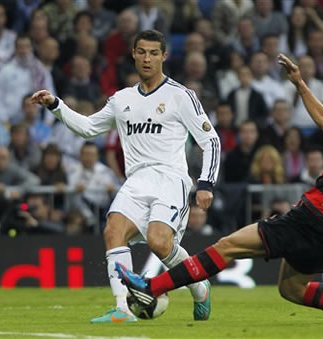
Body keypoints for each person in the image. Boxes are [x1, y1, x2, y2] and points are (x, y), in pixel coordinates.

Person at [116, 53, 323, 325]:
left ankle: (152, 286)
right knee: (291, 290)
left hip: (312, 221)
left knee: (228, 246)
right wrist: (300, 84)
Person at [30, 30, 220, 323]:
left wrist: (206, 183)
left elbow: (211, 140)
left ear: (164, 56)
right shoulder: (122, 99)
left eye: (154, 53)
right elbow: (88, 128)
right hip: (136, 179)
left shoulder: (181, 96)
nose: (147, 58)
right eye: (141, 52)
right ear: (133, 54)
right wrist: (57, 106)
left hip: (171, 179)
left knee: (159, 241)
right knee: (112, 231)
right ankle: (122, 308)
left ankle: (198, 286)